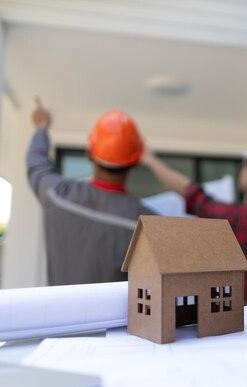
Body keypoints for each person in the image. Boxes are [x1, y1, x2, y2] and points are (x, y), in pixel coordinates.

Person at [142, 138, 247, 303]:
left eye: (245, 165)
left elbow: (194, 196)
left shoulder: (243, 217)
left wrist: (151, 161)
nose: (241, 171)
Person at [27, 98, 154, 285]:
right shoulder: (147, 226)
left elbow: (36, 162)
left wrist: (41, 127)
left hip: (61, 315)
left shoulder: (58, 196)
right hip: (117, 316)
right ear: (135, 162)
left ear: (89, 154)